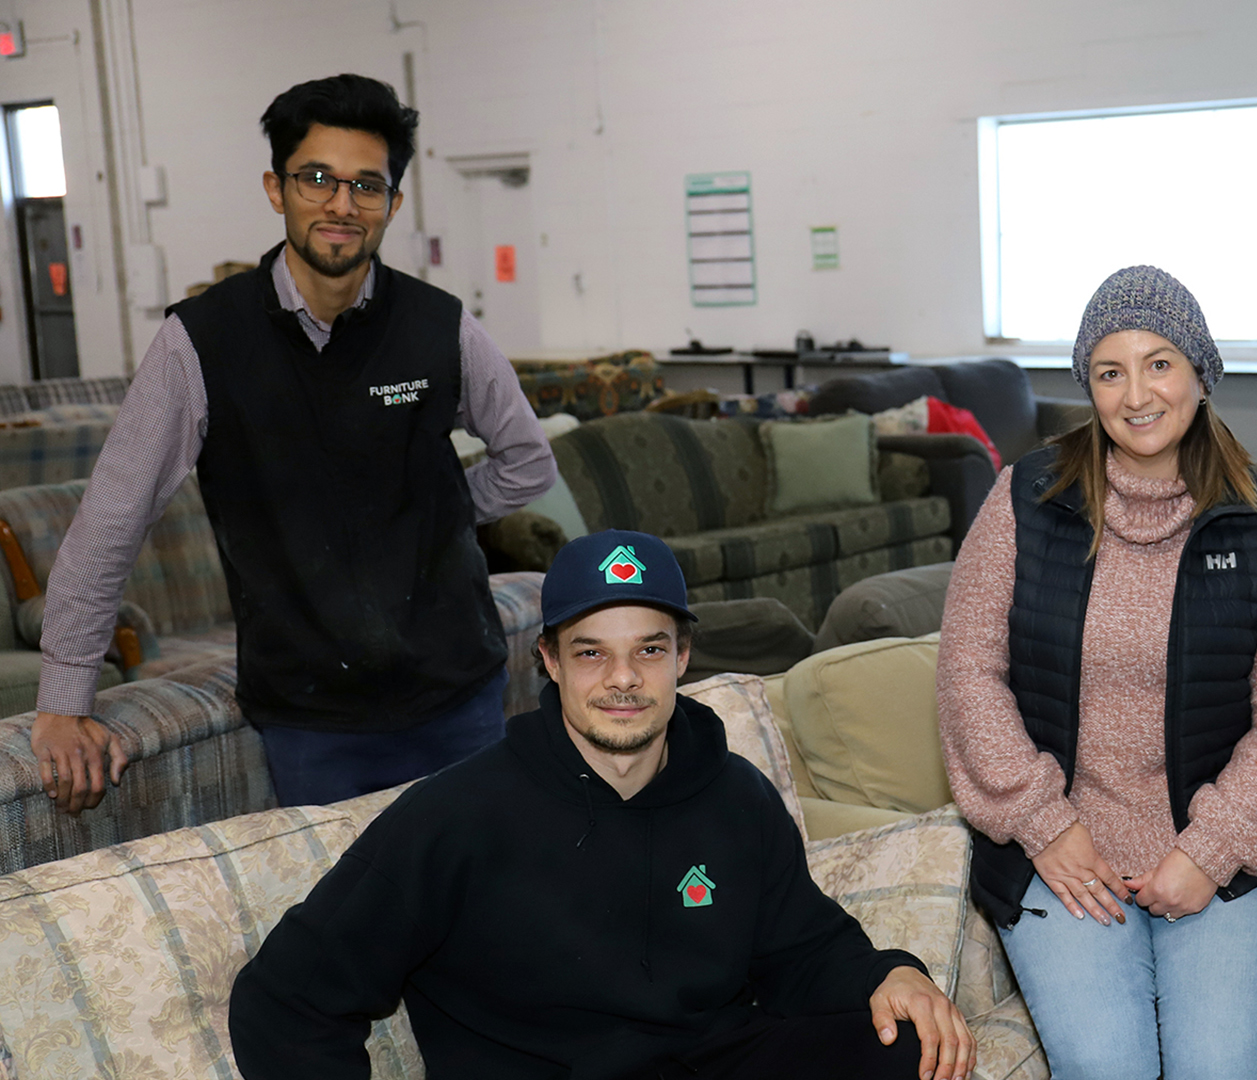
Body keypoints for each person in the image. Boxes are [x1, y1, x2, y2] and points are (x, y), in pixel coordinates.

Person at [229, 529, 974, 1080]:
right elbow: (287, 998)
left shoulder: (735, 796)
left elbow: (802, 950)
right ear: (550, 661)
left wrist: (890, 974)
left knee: (912, 1050)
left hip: (710, 1061)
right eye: (592, 652)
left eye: (649, 649)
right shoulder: (455, 816)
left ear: (684, 656)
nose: (624, 679)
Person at [30, 73, 556, 811]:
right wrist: (64, 694)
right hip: (312, 722)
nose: (342, 205)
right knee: (352, 913)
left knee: (480, 902)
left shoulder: (441, 327)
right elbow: (114, 514)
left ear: (393, 204)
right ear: (277, 189)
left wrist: (440, 512)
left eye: (366, 186)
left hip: (457, 695)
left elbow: (528, 460)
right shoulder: (200, 343)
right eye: (317, 179)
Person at [938, 266, 1257, 1080]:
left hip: (1219, 850)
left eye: (1159, 363)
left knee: (1217, 1070)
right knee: (1108, 1066)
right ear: (1089, 386)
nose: (1136, 393)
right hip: (1064, 850)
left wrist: (1209, 850)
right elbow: (969, 674)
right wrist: (1047, 823)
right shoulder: (1024, 500)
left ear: (1199, 374)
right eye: (1110, 371)